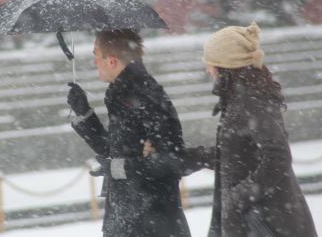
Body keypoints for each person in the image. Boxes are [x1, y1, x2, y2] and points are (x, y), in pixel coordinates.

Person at [67, 29, 191, 237]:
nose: (94, 63)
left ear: (112, 61)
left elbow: (172, 160)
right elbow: (113, 149)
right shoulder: (122, 93)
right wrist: (84, 114)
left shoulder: (145, 94)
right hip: (128, 217)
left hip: (151, 222)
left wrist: (119, 167)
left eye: (96, 56)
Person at [200, 22, 317, 236]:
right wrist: (190, 156)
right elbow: (237, 155)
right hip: (254, 219)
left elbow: (278, 156)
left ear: (223, 66)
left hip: (265, 222)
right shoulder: (238, 98)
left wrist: (238, 198)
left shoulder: (251, 100)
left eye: (208, 63)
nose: (207, 69)